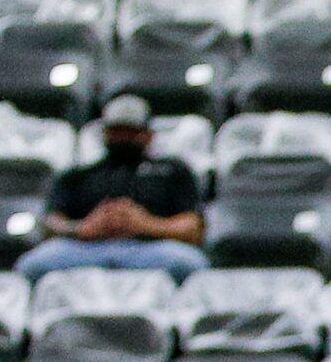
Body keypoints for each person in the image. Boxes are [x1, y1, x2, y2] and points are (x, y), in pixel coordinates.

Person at [18, 97, 207, 282]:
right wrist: (81, 228)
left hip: (149, 247)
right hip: (87, 248)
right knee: (33, 265)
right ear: (105, 133)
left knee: (190, 263)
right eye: (117, 131)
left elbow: (193, 227)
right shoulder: (78, 174)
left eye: (131, 131)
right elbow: (51, 223)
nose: (124, 138)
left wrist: (146, 224)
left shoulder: (173, 171)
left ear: (148, 134)